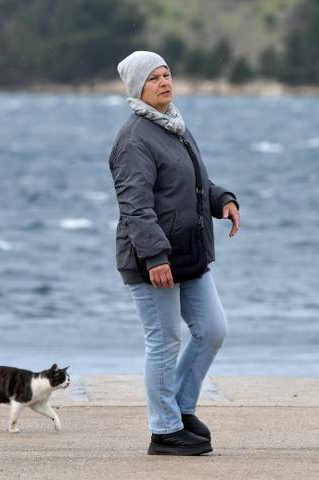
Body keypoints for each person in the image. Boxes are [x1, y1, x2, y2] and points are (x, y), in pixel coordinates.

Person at [109, 50, 240, 456]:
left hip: (189, 255)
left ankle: (180, 409)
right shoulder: (134, 140)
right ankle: (164, 431)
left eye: (167, 74)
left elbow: (193, 180)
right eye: (154, 78)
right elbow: (135, 206)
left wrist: (223, 201)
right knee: (164, 341)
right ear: (138, 88)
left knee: (212, 330)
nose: (164, 82)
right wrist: (155, 258)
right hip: (153, 261)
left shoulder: (174, 126)